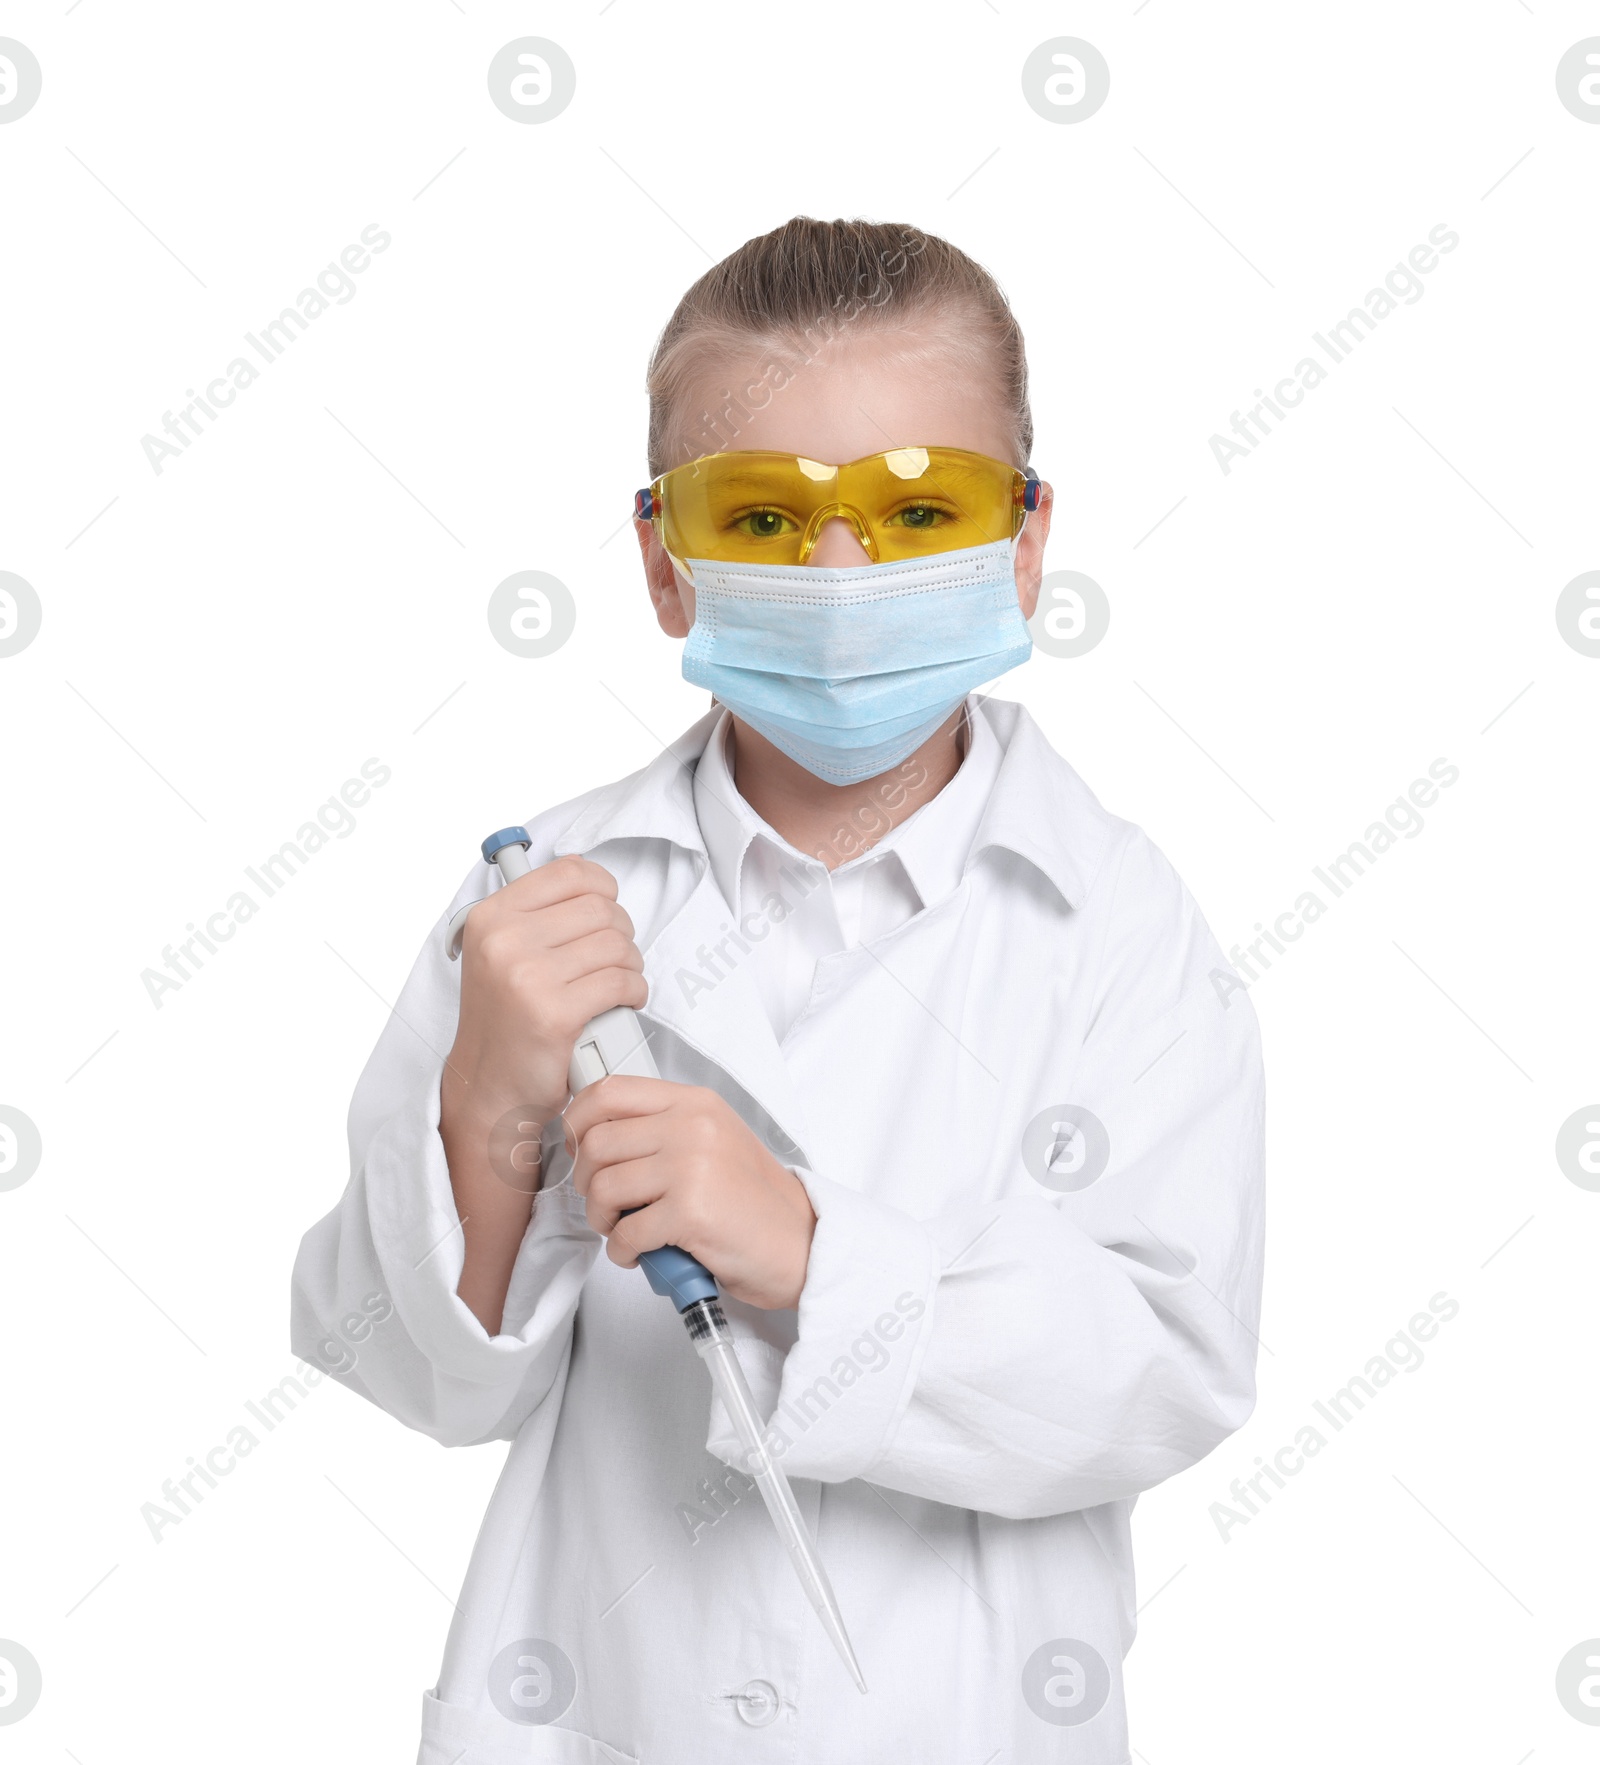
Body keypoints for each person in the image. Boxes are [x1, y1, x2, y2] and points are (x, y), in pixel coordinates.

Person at [291, 215, 1266, 1765]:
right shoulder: (537, 902)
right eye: (758, 516)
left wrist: (810, 1251)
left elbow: (1164, 1371)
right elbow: (394, 1366)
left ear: (1022, 541)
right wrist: (482, 1111)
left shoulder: (1120, 925)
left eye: (917, 508)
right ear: (663, 563)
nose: (838, 573)